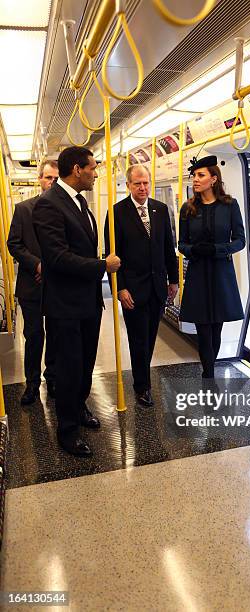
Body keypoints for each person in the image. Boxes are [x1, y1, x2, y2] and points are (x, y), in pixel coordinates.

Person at [32, 146, 120, 457]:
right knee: (68, 369)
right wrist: (101, 266)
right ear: (76, 170)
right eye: (92, 168)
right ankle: (67, 431)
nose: (96, 173)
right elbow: (57, 258)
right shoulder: (48, 205)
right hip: (65, 305)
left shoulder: (80, 202)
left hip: (87, 302)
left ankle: (80, 408)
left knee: (84, 364)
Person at [104, 164, 178, 407]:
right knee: (138, 339)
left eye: (146, 183)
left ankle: (142, 377)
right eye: (137, 184)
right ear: (128, 185)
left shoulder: (160, 209)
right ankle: (142, 386)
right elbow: (112, 255)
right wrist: (120, 288)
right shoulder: (116, 213)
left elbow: (169, 247)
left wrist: (174, 280)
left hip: (157, 287)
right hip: (132, 291)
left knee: (150, 337)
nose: (143, 188)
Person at [178, 155, 245, 379]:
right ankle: (208, 374)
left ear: (213, 179)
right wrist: (194, 250)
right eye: (194, 175)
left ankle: (210, 369)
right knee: (203, 330)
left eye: (201, 175)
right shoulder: (187, 209)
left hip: (220, 274)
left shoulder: (230, 205)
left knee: (216, 328)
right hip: (198, 273)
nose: (195, 180)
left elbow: (240, 240)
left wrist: (218, 250)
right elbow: (181, 244)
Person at [8, 160, 59, 405]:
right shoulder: (23, 209)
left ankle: (52, 378)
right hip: (31, 284)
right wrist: (37, 265)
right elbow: (14, 244)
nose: (52, 182)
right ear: (40, 179)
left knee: (56, 334)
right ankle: (31, 383)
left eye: (56, 178)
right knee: (34, 335)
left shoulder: (64, 210)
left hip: (57, 285)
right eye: (48, 177)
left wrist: (50, 268)